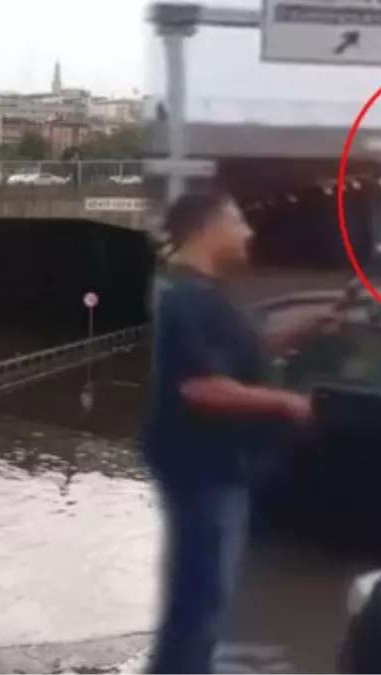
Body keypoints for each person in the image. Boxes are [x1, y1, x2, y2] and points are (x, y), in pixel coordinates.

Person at [143, 190, 338, 675]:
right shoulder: (185, 298)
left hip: (220, 468)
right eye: (239, 223)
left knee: (198, 602)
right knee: (201, 605)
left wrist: (307, 328)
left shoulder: (206, 293)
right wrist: (285, 402)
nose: (249, 233)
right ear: (209, 228)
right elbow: (201, 388)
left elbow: (242, 355)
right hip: (204, 472)